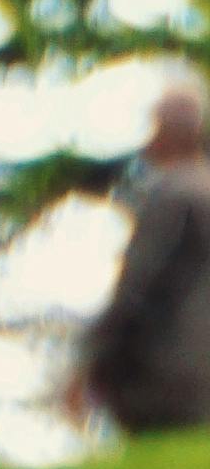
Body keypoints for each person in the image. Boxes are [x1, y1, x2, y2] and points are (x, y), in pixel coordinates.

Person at [80, 75, 210, 437]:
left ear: (166, 133)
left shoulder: (172, 195)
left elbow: (137, 286)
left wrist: (92, 361)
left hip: (164, 375)